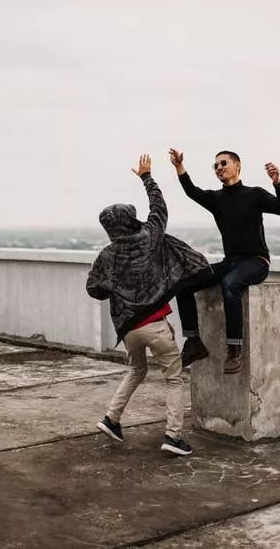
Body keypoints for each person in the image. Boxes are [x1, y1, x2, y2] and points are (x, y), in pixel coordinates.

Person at [86, 154, 211, 456]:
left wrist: (117, 287)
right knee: (174, 379)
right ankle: (173, 436)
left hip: (129, 330)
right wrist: (147, 177)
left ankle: (111, 419)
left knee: (136, 370)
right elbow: (159, 207)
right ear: (130, 219)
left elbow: (94, 289)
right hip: (154, 324)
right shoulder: (149, 237)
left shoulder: (106, 255)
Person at [168, 148, 280, 374]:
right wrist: (179, 166)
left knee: (230, 284)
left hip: (256, 261)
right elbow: (191, 191)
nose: (219, 168)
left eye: (223, 163)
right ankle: (193, 342)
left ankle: (234, 349)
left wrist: (277, 182)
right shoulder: (216, 199)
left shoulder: (254, 194)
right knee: (183, 284)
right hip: (231, 262)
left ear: (237, 165)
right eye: (215, 166)